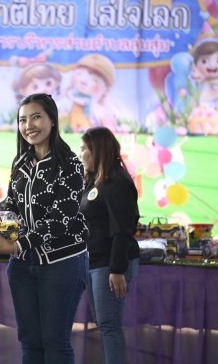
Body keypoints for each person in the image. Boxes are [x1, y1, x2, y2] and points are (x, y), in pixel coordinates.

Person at [0, 93, 89, 364]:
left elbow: (60, 219)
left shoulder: (70, 164)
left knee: (55, 342)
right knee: (30, 342)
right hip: (22, 263)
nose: (28, 125)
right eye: (22, 119)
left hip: (62, 261)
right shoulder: (20, 162)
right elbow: (12, 207)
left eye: (36, 117)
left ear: (52, 120)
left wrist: (17, 244)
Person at [78, 127, 140, 364]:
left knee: (109, 326)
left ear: (98, 150)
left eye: (84, 149)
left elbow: (121, 229)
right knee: (105, 324)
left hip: (110, 265)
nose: (81, 154)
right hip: (94, 262)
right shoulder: (95, 179)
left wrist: (116, 269)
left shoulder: (118, 182)